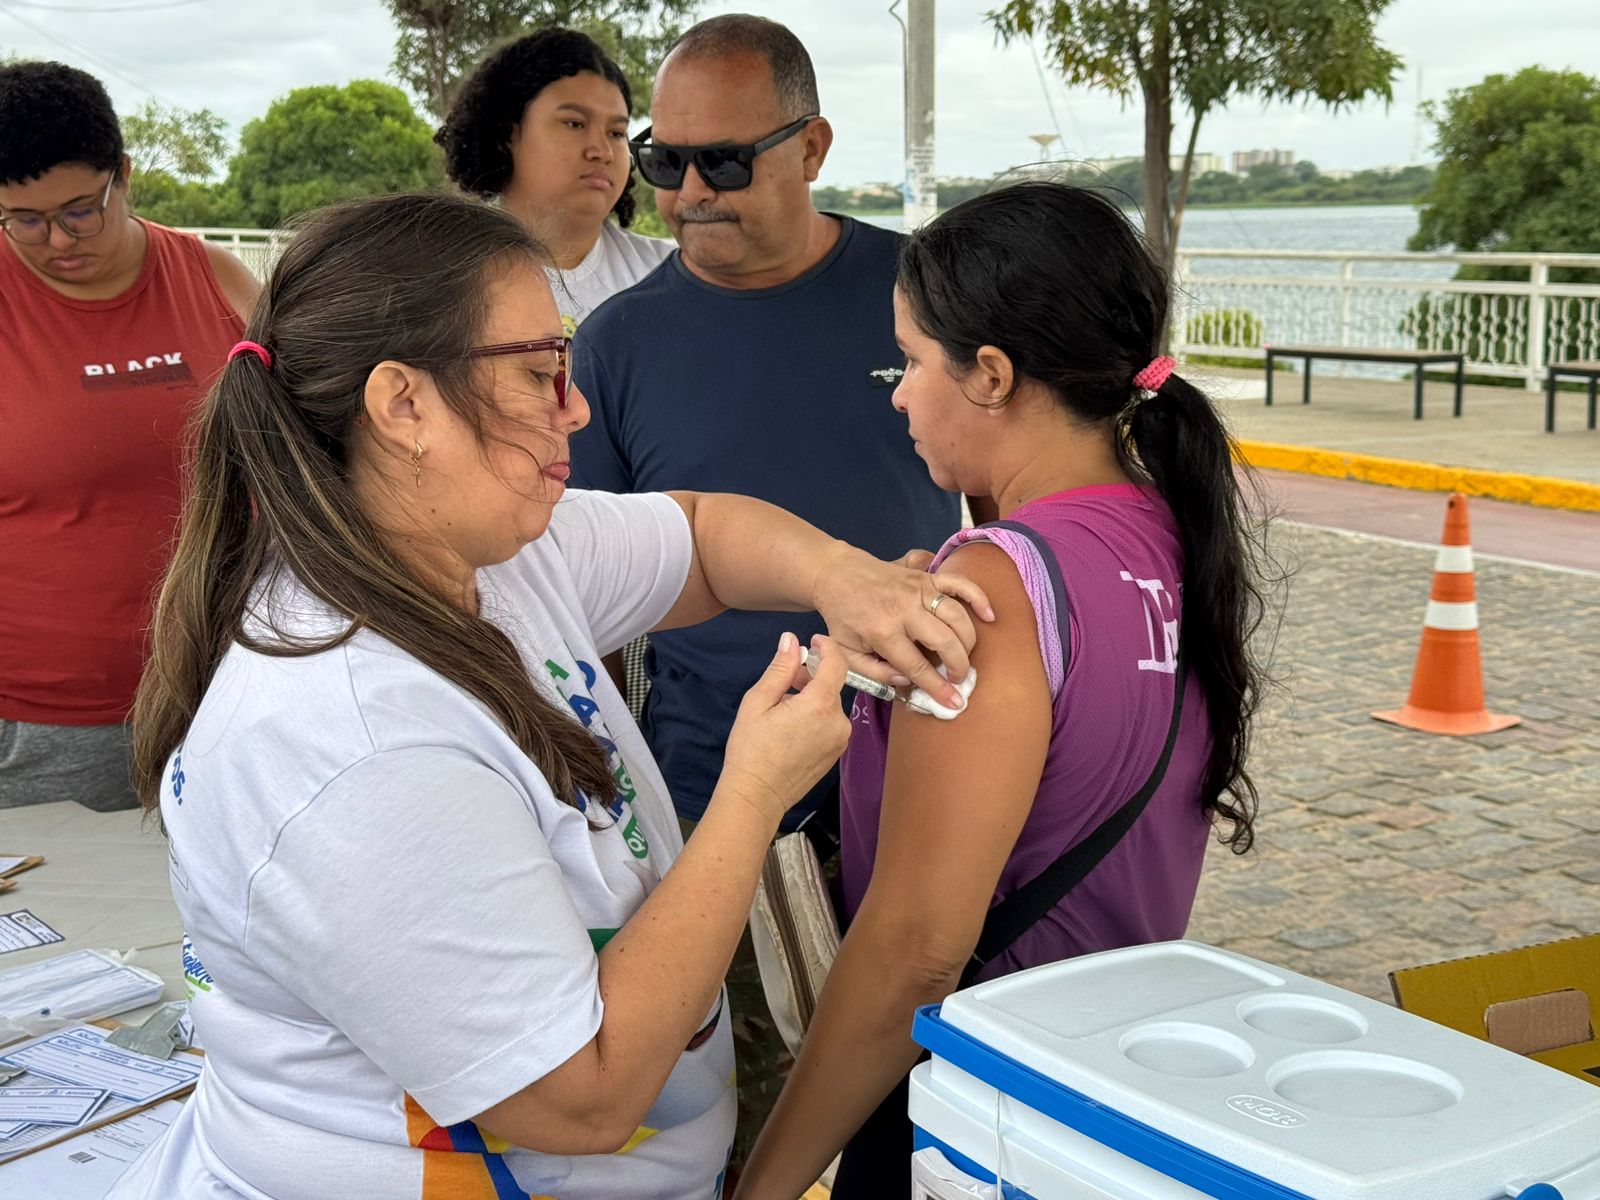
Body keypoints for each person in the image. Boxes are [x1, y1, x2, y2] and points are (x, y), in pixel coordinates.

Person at [106, 191, 990, 1200]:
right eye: (536, 373)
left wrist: (843, 575)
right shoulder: (351, 742)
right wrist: (753, 791)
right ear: (403, 407)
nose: (574, 406)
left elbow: (699, 533)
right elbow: (578, 1098)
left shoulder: (492, 554)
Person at [735, 182, 1271, 1200]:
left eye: (911, 362)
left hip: (973, 1113)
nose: (895, 393)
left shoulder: (993, 589)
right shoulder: (1171, 534)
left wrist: (764, 1185)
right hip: (1106, 1087)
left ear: (989, 374)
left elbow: (916, 951)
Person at [570, 13, 963, 829]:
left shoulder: (929, 296)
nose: (689, 193)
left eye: (723, 161)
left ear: (812, 148)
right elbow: (588, 592)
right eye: (665, 162)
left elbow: (1016, 515)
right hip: (710, 787)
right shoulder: (616, 344)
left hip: (924, 764)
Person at [0, 60, 257, 812]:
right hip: (42, 725)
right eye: (23, 220)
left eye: (81, 210)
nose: (56, 240)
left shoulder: (220, 281)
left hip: (225, 692)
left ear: (125, 175)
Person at [437, 26, 672, 336]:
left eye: (616, 133)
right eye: (575, 124)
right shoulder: (443, 274)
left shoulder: (667, 275)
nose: (601, 151)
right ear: (507, 133)